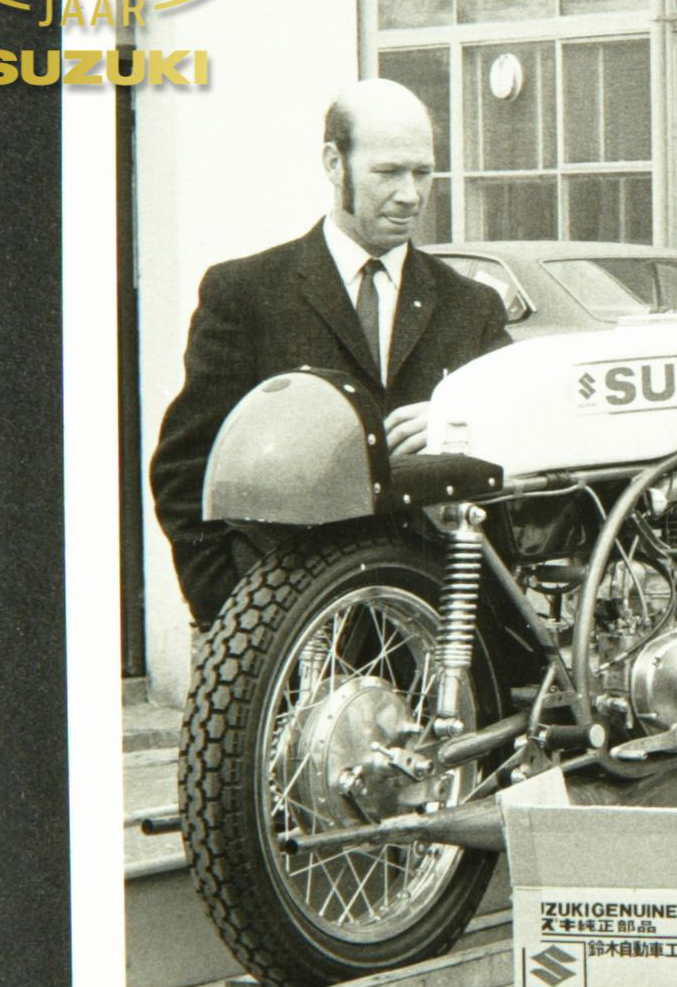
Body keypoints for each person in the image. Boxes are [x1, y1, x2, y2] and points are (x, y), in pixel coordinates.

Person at [149, 77, 511, 627]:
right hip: (293, 633)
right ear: (334, 163)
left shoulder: (471, 306)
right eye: (388, 172)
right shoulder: (246, 294)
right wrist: (238, 616)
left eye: (423, 173)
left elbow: (523, 459)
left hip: (440, 634)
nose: (410, 195)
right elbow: (187, 468)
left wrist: (466, 424)